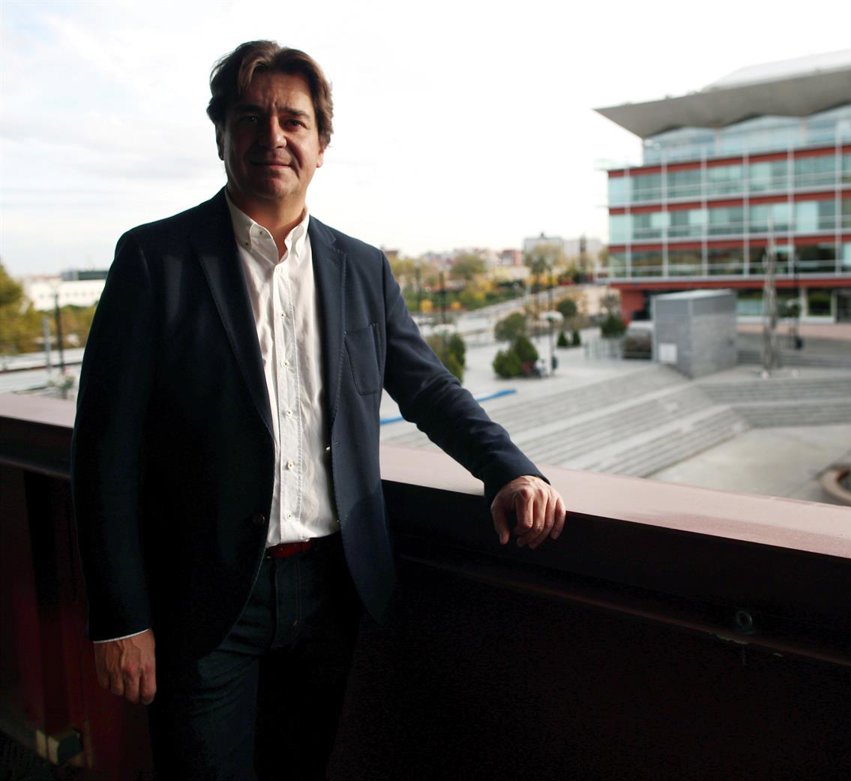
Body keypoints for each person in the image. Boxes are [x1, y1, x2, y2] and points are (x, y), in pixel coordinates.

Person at [70, 40, 565, 779]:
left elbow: (428, 387)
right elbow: (104, 449)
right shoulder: (155, 260)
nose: (272, 136)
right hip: (204, 601)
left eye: (293, 121)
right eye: (250, 117)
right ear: (221, 136)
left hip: (332, 590)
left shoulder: (362, 268)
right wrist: (120, 618)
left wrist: (510, 471)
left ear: (322, 145)